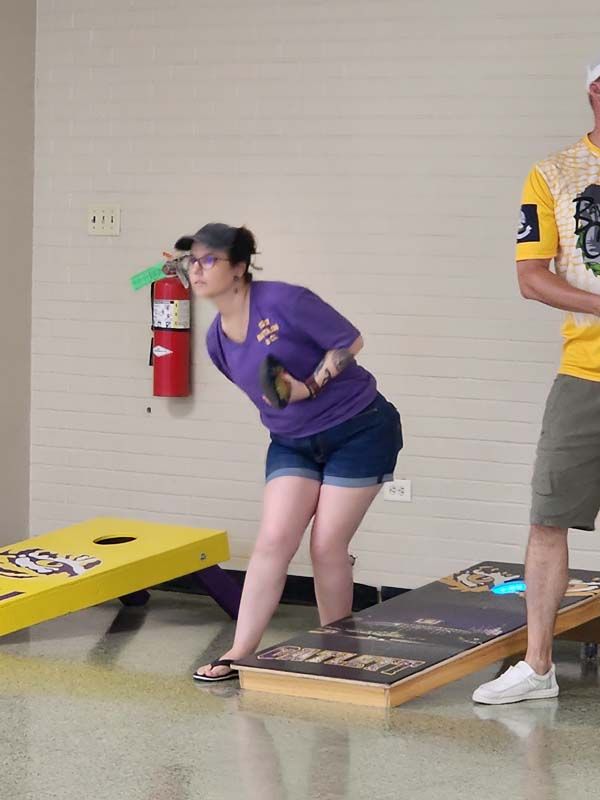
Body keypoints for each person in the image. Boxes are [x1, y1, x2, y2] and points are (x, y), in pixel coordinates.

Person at [172, 222, 403, 682]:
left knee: (325, 545)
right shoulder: (217, 340)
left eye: (208, 260)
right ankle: (239, 652)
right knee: (274, 541)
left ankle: (339, 649)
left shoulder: (284, 300)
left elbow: (350, 341)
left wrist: (310, 386)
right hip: (293, 442)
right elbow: (269, 398)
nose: (196, 270)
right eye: (191, 261)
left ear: (238, 268)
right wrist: (286, 402)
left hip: (360, 428)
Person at [473, 59, 600, 704]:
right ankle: (540, 666)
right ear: (595, 90)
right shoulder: (553, 174)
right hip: (586, 375)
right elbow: (531, 276)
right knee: (548, 519)